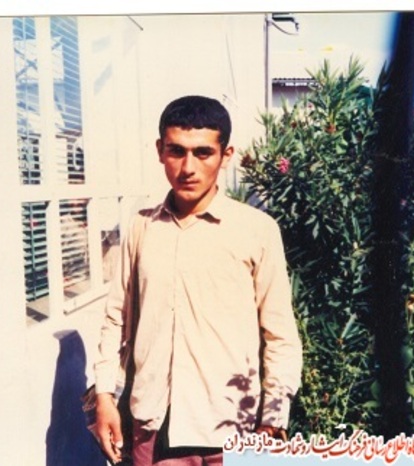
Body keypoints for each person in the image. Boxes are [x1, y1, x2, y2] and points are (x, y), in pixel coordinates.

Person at [93, 95, 302, 465]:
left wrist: (273, 420)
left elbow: (280, 334)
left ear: (226, 155)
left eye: (203, 153)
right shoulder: (142, 226)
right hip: (154, 425)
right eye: (176, 151)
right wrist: (105, 396)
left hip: (232, 428)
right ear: (160, 151)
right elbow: (115, 318)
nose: (188, 167)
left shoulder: (256, 230)